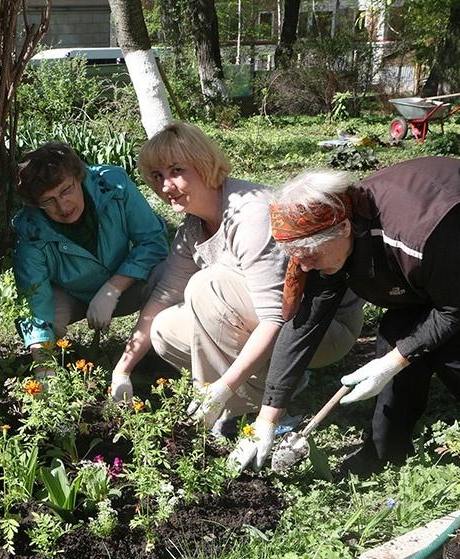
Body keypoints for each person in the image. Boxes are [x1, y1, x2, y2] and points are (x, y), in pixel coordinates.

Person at [230, 157, 460, 473]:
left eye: (310, 256)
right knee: (395, 336)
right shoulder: (326, 233)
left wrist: (393, 363)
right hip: (453, 259)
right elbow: (306, 323)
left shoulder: (415, 231)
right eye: (296, 259)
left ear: (344, 228)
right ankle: (384, 454)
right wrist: (266, 419)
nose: (304, 267)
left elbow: (454, 309)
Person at [113, 122, 363, 436]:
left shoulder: (249, 214)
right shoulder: (192, 227)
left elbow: (275, 317)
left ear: (204, 165)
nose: (165, 186)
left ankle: (271, 408)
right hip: (268, 323)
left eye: (176, 170)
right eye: (157, 176)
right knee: (164, 329)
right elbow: (164, 293)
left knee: (209, 285)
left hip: (319, 329)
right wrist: (122, 369)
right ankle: (243, 397)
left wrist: (224, 386)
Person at [12, 142, 169, 360]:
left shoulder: (114, 186)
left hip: (128, 284)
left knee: (166, 275)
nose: (63, 206)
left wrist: (112, 289)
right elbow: (35, 301)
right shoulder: (30, 231)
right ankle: (48, 365)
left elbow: (153, 241)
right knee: (47, 320)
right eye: (48, 201)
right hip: (71, 295)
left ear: (80, 176)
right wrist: (42, 365)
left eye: (66, 190)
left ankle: (158, 350)